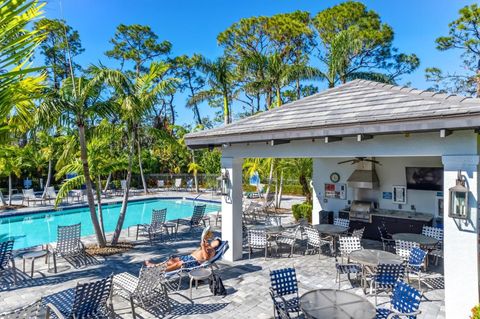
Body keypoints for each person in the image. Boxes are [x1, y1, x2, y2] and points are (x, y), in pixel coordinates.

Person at [146, 238, 221, 272]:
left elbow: (206, 258)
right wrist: (203, 244)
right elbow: (197, 251)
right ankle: (154, 266)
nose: (214, 242)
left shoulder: (213, 251)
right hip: (188, 257)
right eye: (215, 241)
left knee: (179, 264)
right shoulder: (207, 246)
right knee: (171, 261)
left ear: (217, 246)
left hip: (193, 262)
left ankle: (160, 271)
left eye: (216, 243)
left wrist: (203, 247)